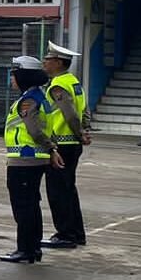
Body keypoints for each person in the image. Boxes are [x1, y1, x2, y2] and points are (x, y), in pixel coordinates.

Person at [1, 56, 64, 264]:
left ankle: (25, 249)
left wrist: (51, 148)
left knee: (23, 207)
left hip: (24, 159)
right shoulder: (39, 96)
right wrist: (52, 150)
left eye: (14, 75)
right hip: (35, 159)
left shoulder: (29, 100)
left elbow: (35, 130)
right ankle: (33, 248)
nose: (12, 79)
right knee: (31, 205)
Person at [41, 42, 89, 250]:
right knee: (69, 189)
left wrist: (79, 133)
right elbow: (83, 109)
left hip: (62, 143)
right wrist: (85, 130)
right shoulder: (73, 81)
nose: (44, 63)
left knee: (58, 191)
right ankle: (76, 233)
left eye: (48, 59)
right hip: (72, 143)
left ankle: (65, 234)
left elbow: (69, 114)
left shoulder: (58, 85)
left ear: (58, 63)